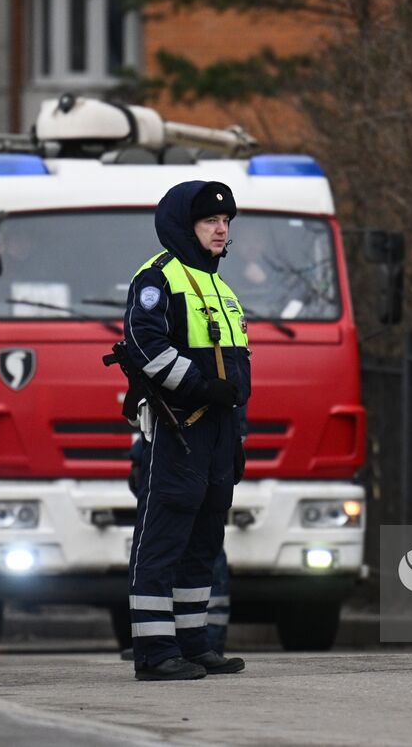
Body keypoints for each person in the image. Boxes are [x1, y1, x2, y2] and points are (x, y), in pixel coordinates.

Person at [123, 181, 250, 681]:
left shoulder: (221, 287)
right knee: (164, 535)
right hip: (180, 429)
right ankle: (154, 651)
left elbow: (237, 372)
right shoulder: (159, 277)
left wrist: (235, 433)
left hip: (217, 433)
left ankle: (194, 643)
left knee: (204, 539)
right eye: (209, 222)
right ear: (185, 226)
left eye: (225, 222)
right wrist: (200, 388)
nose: (221, 229)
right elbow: (143, 342)